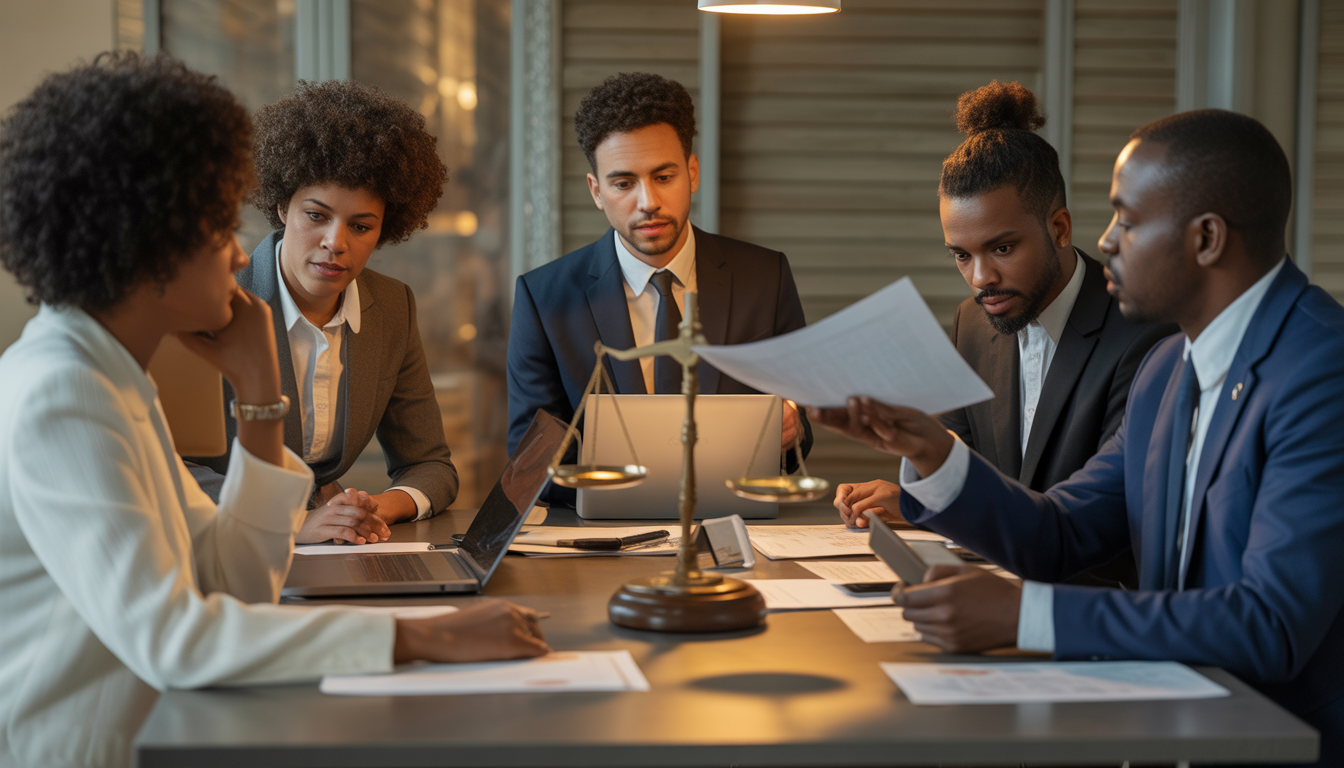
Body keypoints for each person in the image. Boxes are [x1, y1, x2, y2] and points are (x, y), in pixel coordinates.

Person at [0, 53, 547, 768]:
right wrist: (425, 635)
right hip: (92, 749)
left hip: (171, 727)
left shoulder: (106, 378)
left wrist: (260, 398)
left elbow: (238, 583)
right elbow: (175, 640)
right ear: (148, 244)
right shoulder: (63, 393)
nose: (235, 253)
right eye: (212, 227)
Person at [811, 109, 1344, 764]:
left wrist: (1025, 617)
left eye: (1128, 218)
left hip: (1279, 746)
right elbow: (1060, 532)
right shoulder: (1166, 369)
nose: (1106, 240)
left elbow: (1271, 625)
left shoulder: (1323, 369)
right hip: (1164, 723)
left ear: (1206, 239)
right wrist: (929, 448)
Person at [833, 81, 1173, 588]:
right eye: (961, 255)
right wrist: (915, 494)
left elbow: (1103, 531)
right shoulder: (972, 322)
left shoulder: (1144, 335)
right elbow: (956, 457)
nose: (980, 278)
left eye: (1002, 249)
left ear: (1059, 228)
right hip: (986, 590)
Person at [506, 72, 811, 504]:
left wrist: (792, 426)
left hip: (735, 528)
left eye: (664, 177)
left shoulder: (765, 276)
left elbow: (799, 435)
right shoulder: (544, 298)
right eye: (624, 183)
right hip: (600, 540)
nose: (647, 201)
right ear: (597, 191)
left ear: (692, 172)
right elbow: (528, 462)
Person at [187, 79, 457, 545]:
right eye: (316, 215)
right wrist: (292, 523)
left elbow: (431, 464)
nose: (336, 242)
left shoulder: (393, 308)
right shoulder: (211, 303)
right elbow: (169, 465)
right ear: (281, 205)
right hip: (223, 546)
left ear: (384, 230)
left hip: (330, 548)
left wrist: (373, 509)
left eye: (361, 225)